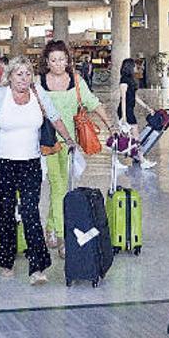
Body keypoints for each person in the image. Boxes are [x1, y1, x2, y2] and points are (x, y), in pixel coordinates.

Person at [0, 56, 77, 285]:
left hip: (31, 163)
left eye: (28, 74)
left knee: (30, 212)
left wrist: (68, 138)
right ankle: (6, 261)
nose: (24, 79)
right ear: (10, 77)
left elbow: (55, 117)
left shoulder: (38, 94)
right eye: (19, 74)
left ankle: (38, 267)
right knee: (5, 212)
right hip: (4, 163)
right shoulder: (0, 96)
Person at [40, 41, 115, 257]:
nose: (57, 64)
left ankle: (51, 228)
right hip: (47, 142)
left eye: (61, 59)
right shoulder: (40, 82)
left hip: (70, 143)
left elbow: (93, 103)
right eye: (53, 60)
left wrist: (110, 125)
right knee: (58, 185)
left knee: (62, 187)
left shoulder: (76, 81)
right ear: (47, 62)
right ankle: (65, 237)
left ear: (67, 60)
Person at [117, 58, 158, 170]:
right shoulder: (124, 81)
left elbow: (134, 97)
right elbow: (123, 99)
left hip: (129, 109)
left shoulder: (130, 80)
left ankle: (138, 159)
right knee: (134, 137)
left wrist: (147, 107)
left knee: (127, 137)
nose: (136, 67)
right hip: (125, 111)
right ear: (129, 67)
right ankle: (142, 160)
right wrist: (124, 117)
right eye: (134, 66)